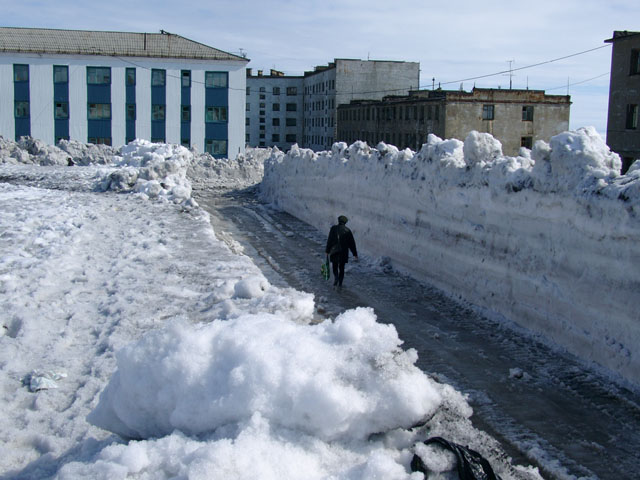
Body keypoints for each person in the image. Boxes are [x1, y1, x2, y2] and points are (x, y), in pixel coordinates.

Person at [325, 215, 358, 287]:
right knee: (342, 267)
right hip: (344, 251)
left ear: (339, 221)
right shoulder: (348, 230)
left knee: (335, 266)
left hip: (334, 250)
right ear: (345, 222)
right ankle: (340, 283)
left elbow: (329, 240)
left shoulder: (333, 228)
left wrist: (327, 250)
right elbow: (352, 243)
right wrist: (355, 253)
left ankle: (336, 277)